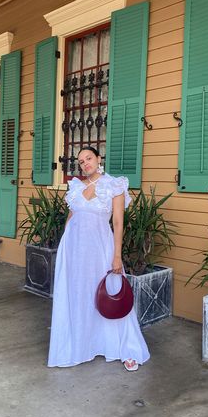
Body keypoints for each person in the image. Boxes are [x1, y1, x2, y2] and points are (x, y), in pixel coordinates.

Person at [48, 146, 150, 371]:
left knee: (108, 293)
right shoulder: (75, 187)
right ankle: (80, 346)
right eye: (81, 161)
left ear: (98, 158)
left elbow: (118, 223)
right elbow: (71, 217)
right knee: (78, 294)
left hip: (100, 248)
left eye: (89, 158)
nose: (85, 164)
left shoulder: (114, 184)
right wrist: (64, 247)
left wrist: (117, 256)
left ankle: (125, 348)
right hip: (74, 250)